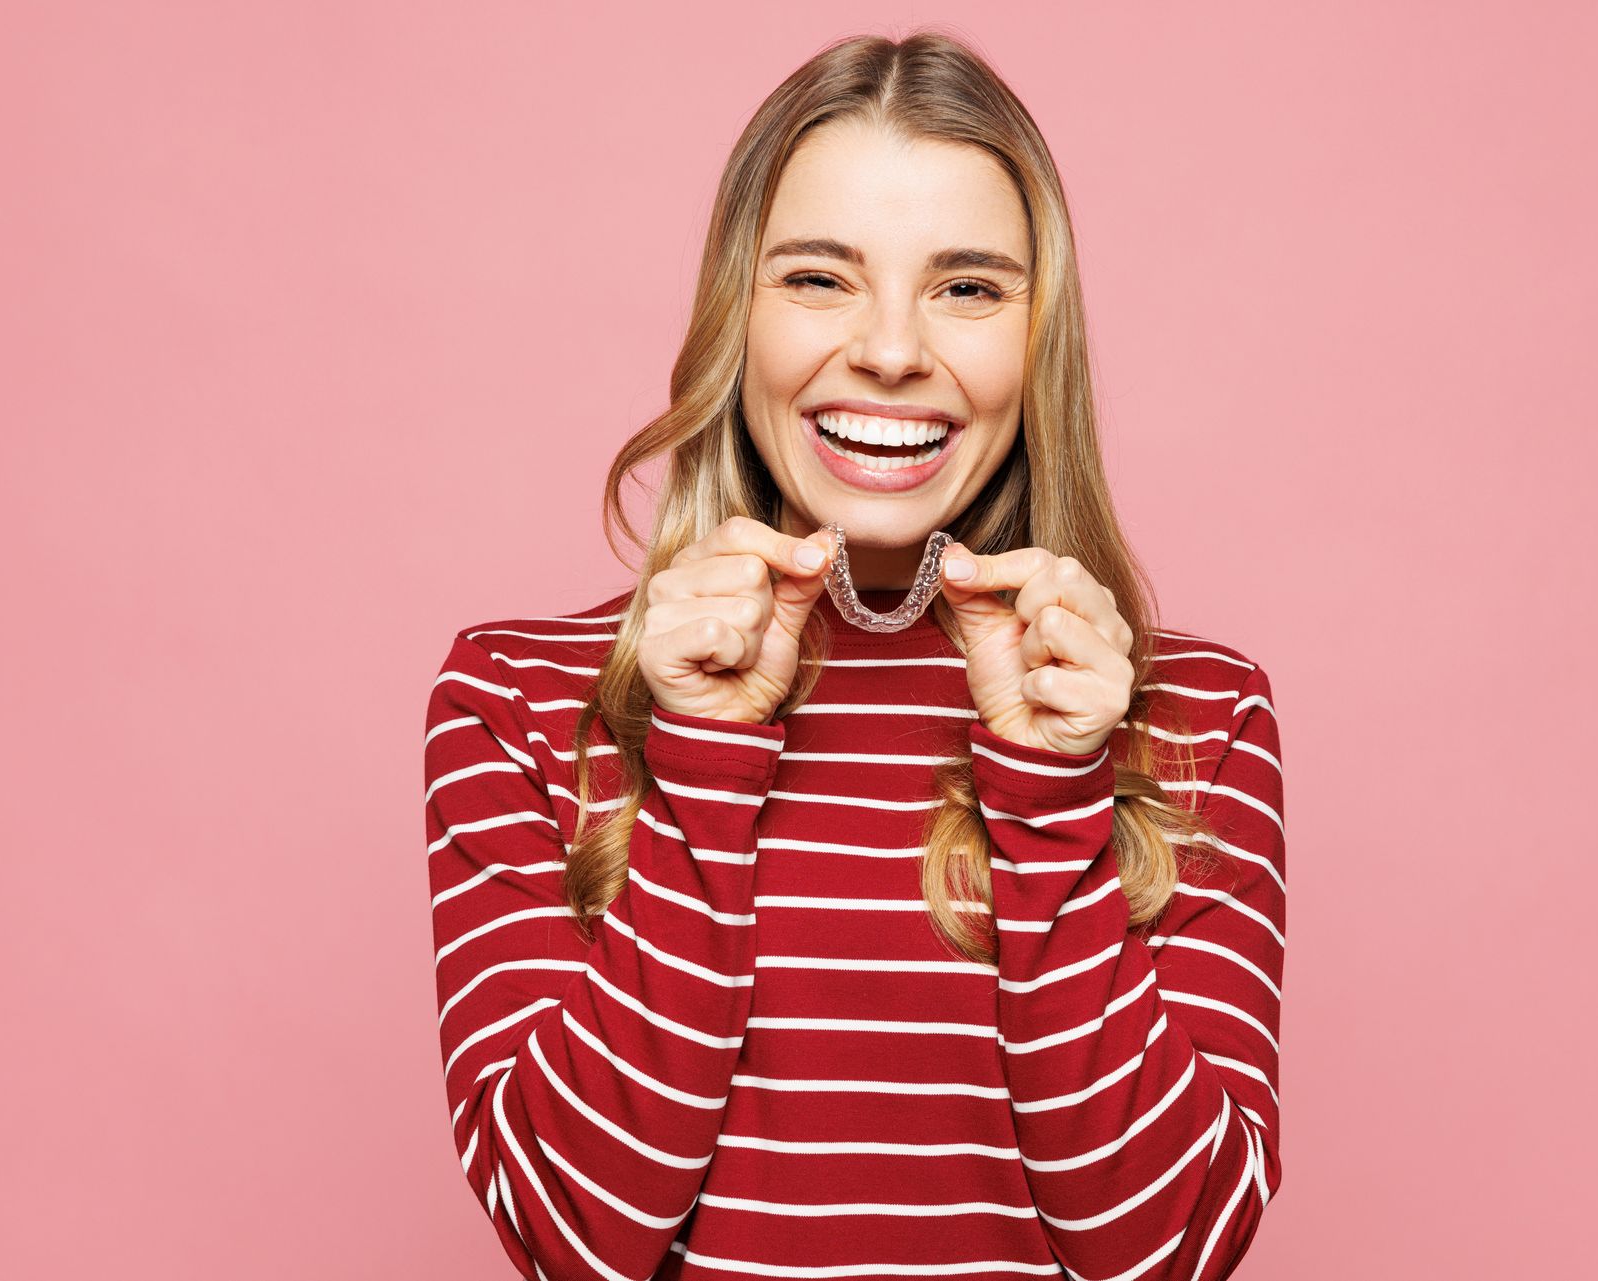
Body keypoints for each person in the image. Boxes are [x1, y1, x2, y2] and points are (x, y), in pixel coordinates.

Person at [422, 29, 1285, 1281]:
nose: (890, 349)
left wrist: (1051, 798)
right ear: (736, 313)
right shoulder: (513, 699)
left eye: (969, 287)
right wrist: (706, 759)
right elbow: (572, 1240)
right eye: (821, 279)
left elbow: (1170, 1252)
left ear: (1041, 337)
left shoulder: (1200, 715)